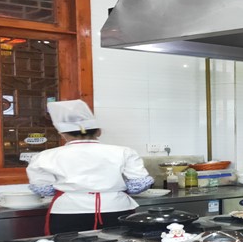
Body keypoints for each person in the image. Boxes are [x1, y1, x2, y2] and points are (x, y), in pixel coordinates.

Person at [26, 100, 154, 234]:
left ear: (63, 134)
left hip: (68, 211)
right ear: (98, 132)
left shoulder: (45, 156)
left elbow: (43, 189)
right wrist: (111, 187)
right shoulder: (124, 152)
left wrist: (77, 189)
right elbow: (139, 184)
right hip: (116, 208)